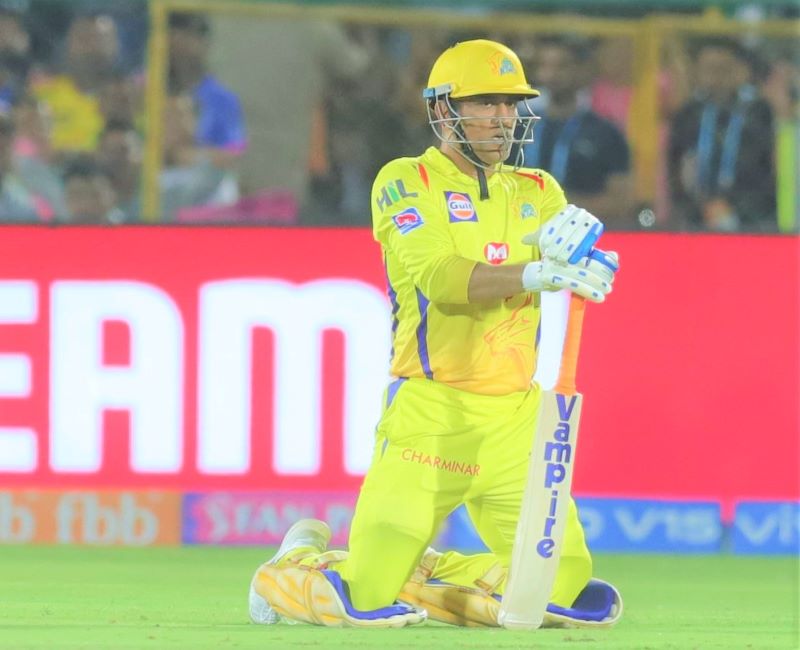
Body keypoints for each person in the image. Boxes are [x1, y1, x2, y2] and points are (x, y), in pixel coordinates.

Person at [248, 39, 622, 629]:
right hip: (432, 412)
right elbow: (442, 278)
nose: (503, 118)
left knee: (563, 589)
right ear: (445, 110)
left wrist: (588, 266)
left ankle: (418, 571)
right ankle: (289, 568)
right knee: (365, 600)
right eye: (486, 103)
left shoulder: (538, 189)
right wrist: (536, 273)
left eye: (510, 103)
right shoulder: (406, 181)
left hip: (514, 421)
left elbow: (567, 260)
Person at [517, 36, 634, 227]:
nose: (552, 75)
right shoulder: (519, 127)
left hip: (580, 233)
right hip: (520, 232)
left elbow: (621, 202)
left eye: (561, 66)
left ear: (580, 70)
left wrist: (559, 205)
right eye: (545, 66)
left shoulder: (606, 133)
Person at [667, 38, 776, 232]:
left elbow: (765, 169)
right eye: (709, 70)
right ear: (697, 72)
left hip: (750, 219)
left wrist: (735, 208)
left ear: (739, 71)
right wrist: (697, 208)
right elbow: (675, 168)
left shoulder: (758, 113)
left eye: (724, 69)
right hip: (695, 218)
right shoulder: (688, 115)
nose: (716, 78)